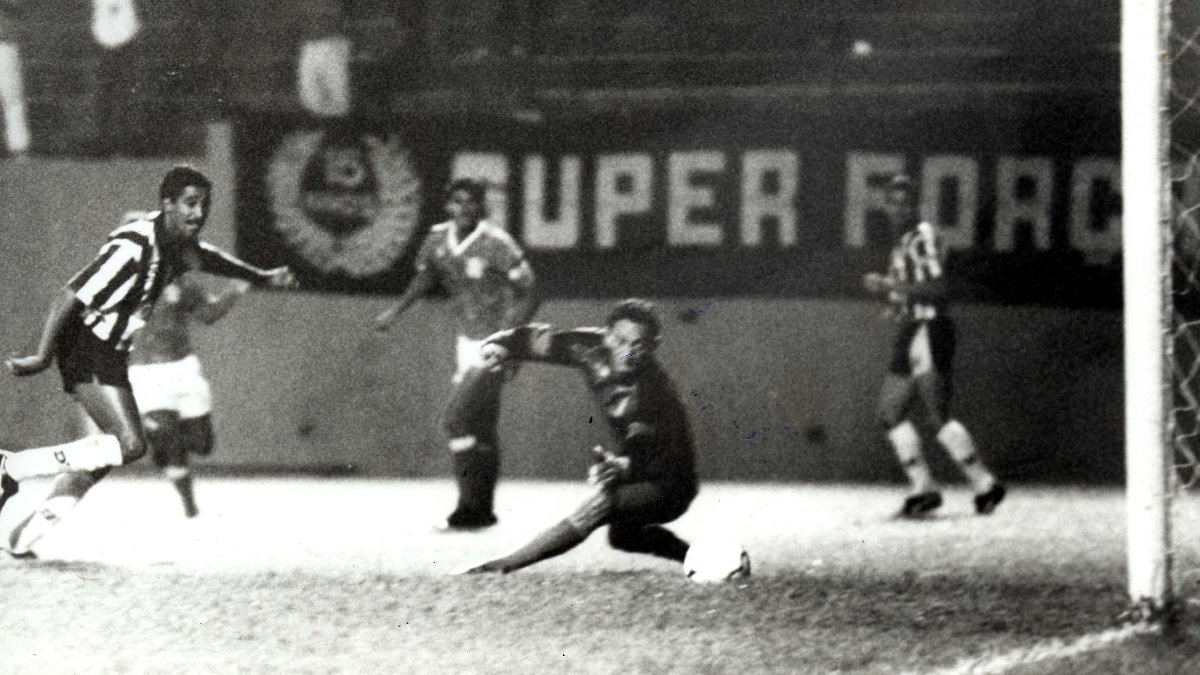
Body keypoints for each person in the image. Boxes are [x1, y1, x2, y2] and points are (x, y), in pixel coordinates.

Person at [0, 165, 296, 556]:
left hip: (111, 353)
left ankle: (27, 532)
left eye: (204, 204)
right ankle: (12, 468)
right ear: (167, 204)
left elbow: (211, 258)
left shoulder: (178, 244)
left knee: (107, 453)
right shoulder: (133, 247)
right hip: (85, 346)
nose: (198, 212)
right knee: (129, 444)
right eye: (190, 203)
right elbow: (68, 295)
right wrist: (41, 355)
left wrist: (262, 276)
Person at [463, 298, 698, 574]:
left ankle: (502, 566)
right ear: (607, 335)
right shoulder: (589, 347)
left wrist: (623, 466)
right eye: (621, 341)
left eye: (638, 345)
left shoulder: (654, 390)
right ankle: (698, 557)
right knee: (623, 536)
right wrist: (500, 346)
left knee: (604, 504)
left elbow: (648, 447)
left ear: (652, 347)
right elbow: (536, 339)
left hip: (671, 482)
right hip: (638, 470)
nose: (627, 352)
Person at [374, 177, 538, 531]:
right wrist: (396, 311)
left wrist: (512, 338)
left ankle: (466, 508)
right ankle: (483, 511)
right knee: (480, 427)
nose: (464, 208)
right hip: (465, 343)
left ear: (482, 207)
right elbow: (426, 277)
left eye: (471, 202)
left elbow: (530, 289)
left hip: (494, 345)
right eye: (457, 201)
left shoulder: (496, 243)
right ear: (448, 205)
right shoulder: (436, 238)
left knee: (456, 419)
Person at [863, 174, 1005, 518]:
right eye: (893, 202)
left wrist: (889, 284)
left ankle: (984, 484)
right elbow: (913, 289)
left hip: (930, 327)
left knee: (936, 413)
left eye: (906, 202)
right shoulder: (904, 244)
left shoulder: (922, 236)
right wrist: (892, 302)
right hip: (914, 328)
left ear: (916, 205)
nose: (899, 208)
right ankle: (924, 490)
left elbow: (939, 287)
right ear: (886, 206)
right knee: (889, 413)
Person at [127, 274, 251, 518]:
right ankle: (189, 504)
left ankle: (163, 443)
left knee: (202, 445)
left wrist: (235, 288)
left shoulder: (183, 284)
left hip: (184, 368)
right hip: (146, 371)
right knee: (168, 435)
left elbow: (209, 314)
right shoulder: (127, 281)